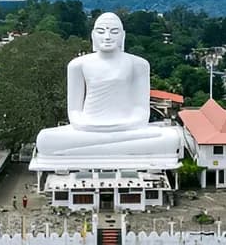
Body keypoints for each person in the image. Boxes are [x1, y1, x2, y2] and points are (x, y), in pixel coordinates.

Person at [33, 12, 180, 159]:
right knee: (44, 140)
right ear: (93, 35)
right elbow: (74, 111)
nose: (107, 37)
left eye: (114, 32)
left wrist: (123, 125)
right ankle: (110, 147)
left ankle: (94, 148)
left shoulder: (139, 64)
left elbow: (141, 111)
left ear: (122, 36)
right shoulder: (78, 65)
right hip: (88, 129)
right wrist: (87, 125)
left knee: (171, 139)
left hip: (126, 129)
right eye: (101, 31)